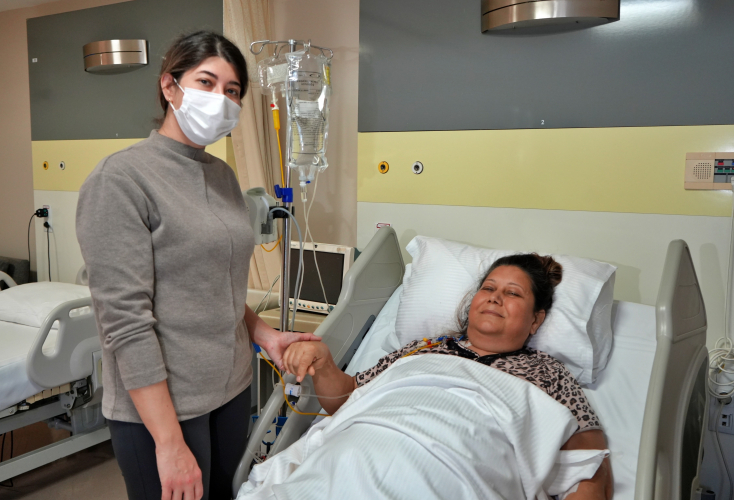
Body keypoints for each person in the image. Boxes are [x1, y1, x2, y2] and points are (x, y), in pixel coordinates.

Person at [76, 31, 318, 500]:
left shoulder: (221, 175)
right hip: (163, 408)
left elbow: (216, 283)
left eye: (232, 90)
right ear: (170, 86)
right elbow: (124, 322)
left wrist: (265, 336)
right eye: (206, 82)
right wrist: (169, 443)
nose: (220, 98)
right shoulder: (120, 179)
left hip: (230, 391)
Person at [283, 253, 613, 500]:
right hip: (356, 452)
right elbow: (347, 399)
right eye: (488, 288)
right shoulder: (423, 348)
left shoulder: (548, 372)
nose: (495, 297)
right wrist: (323, 363)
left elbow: (588, 467)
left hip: (456, 471)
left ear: (535, 320)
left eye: (513, 293)